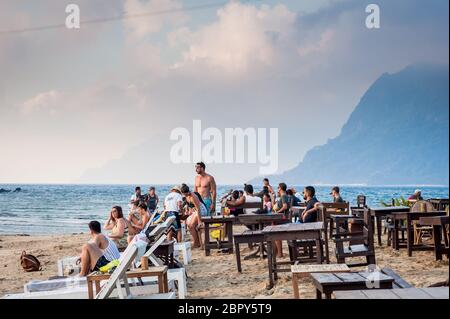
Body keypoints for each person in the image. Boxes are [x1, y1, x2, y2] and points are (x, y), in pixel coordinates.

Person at [181, 184, 209, 248]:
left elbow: (198, 209)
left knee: (191, 225)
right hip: (196, 211)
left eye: (186, 193)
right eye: (184, 194)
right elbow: (190, 206)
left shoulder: (193, 196)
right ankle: (197, 242)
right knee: (189, 225)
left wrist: (199, 221)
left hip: (201, 210)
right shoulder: (186, 196)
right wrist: (189, 212)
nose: (185, 195)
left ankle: (196, 243)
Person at [272, 183, 291, 257]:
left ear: (280, 188)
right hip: (281, 218)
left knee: (275, 234)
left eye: (278, 188)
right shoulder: (284, 196)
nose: (277, 189)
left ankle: (279, 253)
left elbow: (285, 206)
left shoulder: (283, 196)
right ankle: (277, 253)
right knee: (274, 233)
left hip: (282, 219)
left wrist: (278, 212)